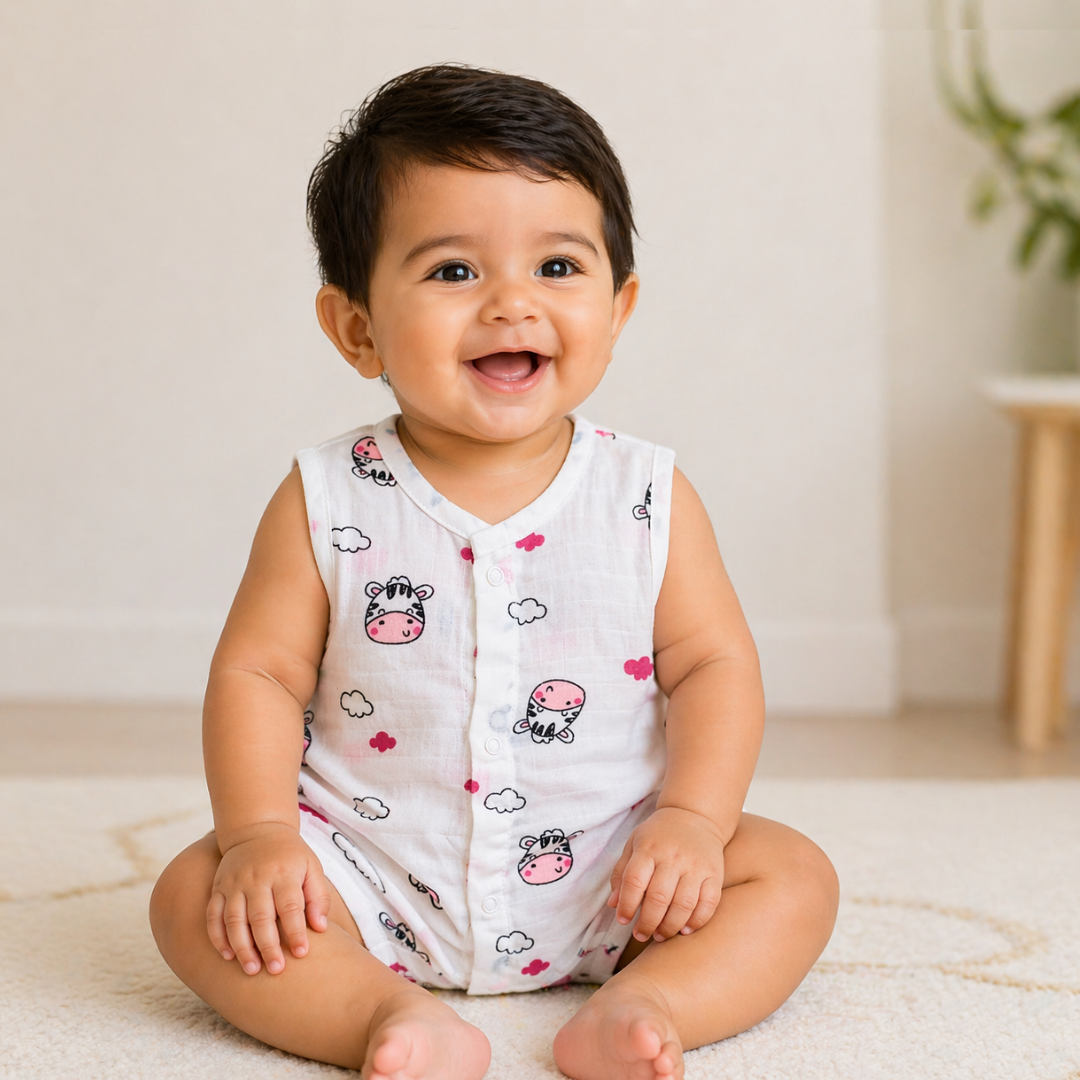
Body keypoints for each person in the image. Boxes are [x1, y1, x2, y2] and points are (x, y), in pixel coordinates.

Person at [150, 64, 838, 1080]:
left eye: (557, 267)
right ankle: (381, 1013)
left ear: (619, 306)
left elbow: (713, 667)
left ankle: (648, 1002)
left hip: (616, 875)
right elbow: (258, 673)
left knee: (793, 877)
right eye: (453, 272)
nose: (513, 303)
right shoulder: (327, 497)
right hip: (373, 874)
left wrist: (693, 823)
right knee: (191, 894)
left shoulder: (646, 494)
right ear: (357, 328)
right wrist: (259, 837)